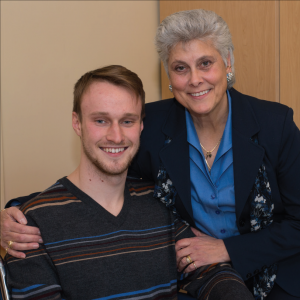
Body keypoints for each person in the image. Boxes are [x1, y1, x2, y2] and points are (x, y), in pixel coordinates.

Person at [1, 8, 300, 299]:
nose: (194, 79)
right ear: (168, 74)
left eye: (206, 63)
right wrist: (20, 213)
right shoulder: (150, 125)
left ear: (228, 62)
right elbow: (106, 174)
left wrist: (228, 249)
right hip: (199, 272)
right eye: (180, 67)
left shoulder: (275, 124)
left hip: (275, 274)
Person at [1, 65, 253, 300]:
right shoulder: (28, 228)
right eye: (101, 120)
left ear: (141, 126)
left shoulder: (160, 201)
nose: (116, 136)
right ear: (77, 123)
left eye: (127, 121)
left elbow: (210, 271)